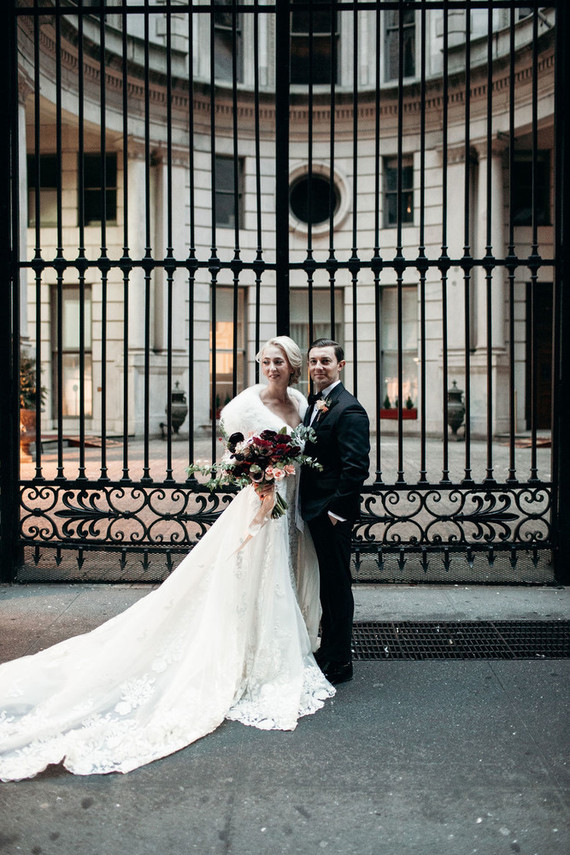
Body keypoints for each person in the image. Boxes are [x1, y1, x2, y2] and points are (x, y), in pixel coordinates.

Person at [0, 336, 334, 782]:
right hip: (257, 510)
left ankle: (262, 646)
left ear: (293, 367)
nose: (272, 367)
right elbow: (233, 454)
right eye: (266, 360)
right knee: (248, 578)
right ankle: (243, 654)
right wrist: (257, 474)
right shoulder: (242, 406)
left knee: (276, 582)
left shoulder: (298, 400)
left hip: (289, 509)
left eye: (279, 361)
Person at [300, 338, 370, 686]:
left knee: (337, 585)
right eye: (313, 361)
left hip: (331, 515)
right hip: (313, 511)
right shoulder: (317, 403)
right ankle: (328, 651)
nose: (318, 367)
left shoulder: (348, 409)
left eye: (325, 361)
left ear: (340, 365)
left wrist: (336, 513)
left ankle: (340, 661)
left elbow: (355, 468)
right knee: (326, 584)